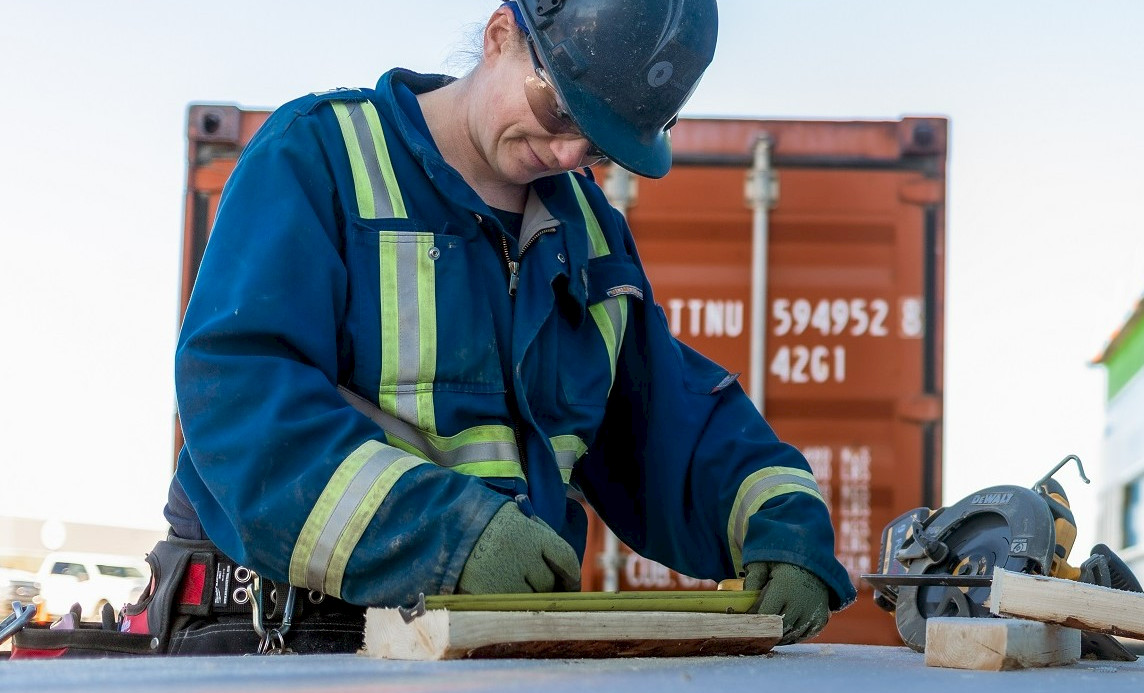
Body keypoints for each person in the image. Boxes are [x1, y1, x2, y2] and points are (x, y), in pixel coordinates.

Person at [129, 0, 853, 655]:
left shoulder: (590, 236)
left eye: (601, 145)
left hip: (484, 646)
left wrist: (781, 522)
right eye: (563, 112)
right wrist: (446, 537)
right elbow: (241, 401)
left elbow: (670, 426)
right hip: (285, 636)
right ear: (502, 35)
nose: (571, 155)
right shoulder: (319, 158)